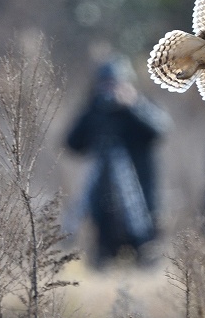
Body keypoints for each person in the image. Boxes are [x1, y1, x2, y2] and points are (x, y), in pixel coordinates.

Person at [65, 54, 170, 267]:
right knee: (104, 251)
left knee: (144, 245)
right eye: (105, 85)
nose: (110, 91)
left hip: (141, 198)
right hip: (104, 203)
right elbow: (72, 144)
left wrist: (133, 105)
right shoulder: (95, 111)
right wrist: (91, 110)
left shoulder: (140, 106)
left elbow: (161, 130)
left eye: (115, 84)